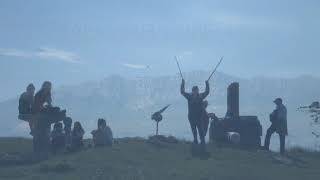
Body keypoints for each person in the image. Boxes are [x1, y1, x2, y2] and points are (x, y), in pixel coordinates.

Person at [181, 79, 210, 148]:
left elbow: (207, 92)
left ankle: (202, 142)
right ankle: (196, 141)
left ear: (197, 91)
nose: (195, 92)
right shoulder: (189, 97)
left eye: (196, 90)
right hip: (191, 117)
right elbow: (182, 92)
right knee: (194, 130)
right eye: (194, 90)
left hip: (199, 117)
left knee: (200, 130)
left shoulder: (200, 96)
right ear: (192, 91)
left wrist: (207, 84)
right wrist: (183, 84)